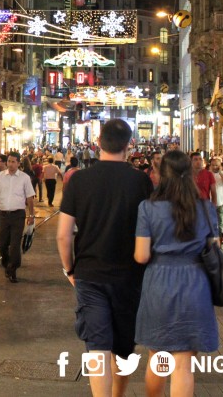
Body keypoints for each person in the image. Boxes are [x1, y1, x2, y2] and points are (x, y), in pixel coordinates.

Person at [58, 119, 152, 397]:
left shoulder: (80, 180)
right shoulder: (141, 181)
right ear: (129, 145)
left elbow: (64, 235)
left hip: (89, 273)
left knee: (97, 346)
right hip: (130, 275)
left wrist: (69, 269)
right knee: (124, 347)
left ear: (98, 143)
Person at [134, 150, 219, 397]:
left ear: (161, 174)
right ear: (191, 174)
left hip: (159, 285)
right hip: (196, 285)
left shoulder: (148, 208)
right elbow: (213, 248)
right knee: (183, 365)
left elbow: (141, 256)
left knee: (159, 358)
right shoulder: (205, 208)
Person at [0, 152, 36, 283]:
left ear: (19, 163)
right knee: (2, 244)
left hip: (18, 215)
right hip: (3, 215)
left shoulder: (24, 178)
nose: (10, 164)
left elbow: (30, 198)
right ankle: (7, 264)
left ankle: (13, 268)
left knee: (15, 245)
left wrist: (31, 215)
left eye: (13, 162)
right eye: (9, 161)